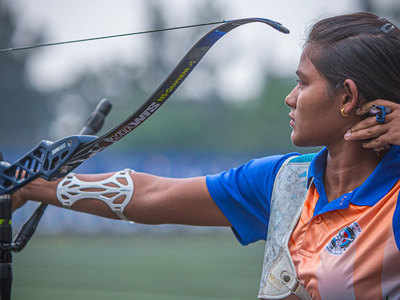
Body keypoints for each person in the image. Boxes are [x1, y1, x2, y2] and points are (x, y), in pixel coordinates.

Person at [10, 12, 400, 300]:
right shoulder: (286, 181)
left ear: (347, 97)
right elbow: (153, 196)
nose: (290, 98)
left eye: (302, 83)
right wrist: (30, 186)